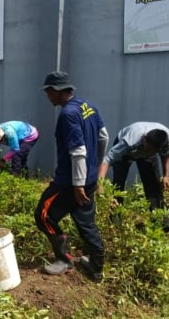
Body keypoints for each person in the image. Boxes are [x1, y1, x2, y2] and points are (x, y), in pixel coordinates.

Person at [35, 71, 109, 282]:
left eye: (48, 92)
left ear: (57, 91)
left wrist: (78, 185)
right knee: (86, 223)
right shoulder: (88, 106)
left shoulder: (68, 114)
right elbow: (103, 136)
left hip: (70, 182)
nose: (47, 96)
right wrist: (93, 168)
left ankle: (64, 258)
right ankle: (96, 268)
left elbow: (77, 151)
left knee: (43, 215)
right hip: (90, 178)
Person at [97, 122, 169, 232]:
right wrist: (100, 183)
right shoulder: (129, 140)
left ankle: (160, 222)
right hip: (126, 153)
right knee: (118, 187)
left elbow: (166, 154)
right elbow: (107, 159)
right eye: (147, 148)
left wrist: (166, 176)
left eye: (152, 150)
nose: (147, 151)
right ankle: (116, 223)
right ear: (144, 139)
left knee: (154, 186)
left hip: (149, 156)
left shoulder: (166, 139)